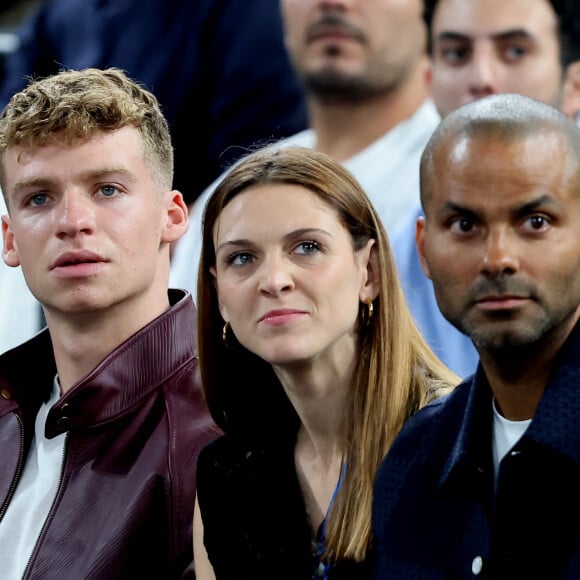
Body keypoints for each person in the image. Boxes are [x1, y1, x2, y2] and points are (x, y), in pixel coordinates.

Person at [191, 145, 458, 579]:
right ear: (219, 294)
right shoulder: (226, 473)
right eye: (242, 258)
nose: (275, 280)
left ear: (368, 272)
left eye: (307, 247)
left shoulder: (455, 444)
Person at [0, 67, 215, 579]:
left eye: (108, 189)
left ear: (173, 215)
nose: (73, 220)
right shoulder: (8, 406)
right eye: (39, 198)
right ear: (10, 238)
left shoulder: (230, 424)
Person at [372, 93, 580, 578]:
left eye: (535, 222)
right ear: (424, 248)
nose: (497, 258)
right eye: (464, 224)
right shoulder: (409, 460)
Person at [170, 0, 437, 295]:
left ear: (431, 13)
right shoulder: (234, 194)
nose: (334, 3)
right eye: (242, 257)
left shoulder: (451, 183)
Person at [391, 0, 580, 378]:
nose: (482, 77)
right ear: (428, 79)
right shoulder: (400, 259)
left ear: (575, 85)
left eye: (514, 51)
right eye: (457, 53)